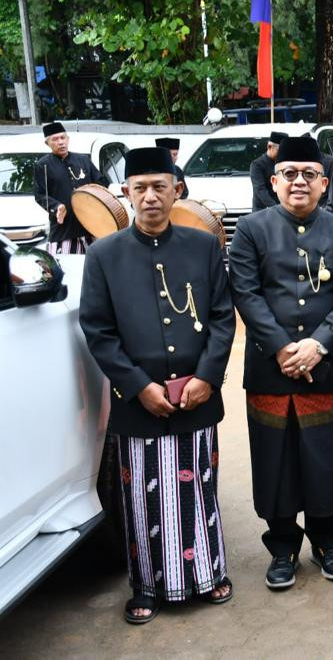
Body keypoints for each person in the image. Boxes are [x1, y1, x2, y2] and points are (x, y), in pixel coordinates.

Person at [79, 147, 236, 624]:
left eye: (160, 187)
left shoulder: (203, 245)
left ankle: (208, 574)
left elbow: (222, 319)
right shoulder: (104, 254)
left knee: (199, 489)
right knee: (143, 498)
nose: (150, 197)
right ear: (126, 193)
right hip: (137, 402)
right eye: (140, 188)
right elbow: (98, 330)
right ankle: (147, 585)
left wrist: (208, 377)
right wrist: (137, 386)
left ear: (176, 191)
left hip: (197, 397)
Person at [230, 136, 333, 590]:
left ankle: (328, 543)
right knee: (276, 461)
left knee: (326, 460)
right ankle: (283, 546)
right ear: (274, 181)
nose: (299, 182)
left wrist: (319, 344)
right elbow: (246, 293)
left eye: (309, 174)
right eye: (289, 174)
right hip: (271, 369)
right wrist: (284, 348)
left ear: (325, 183)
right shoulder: (252, 229)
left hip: (326, 369)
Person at [33, 121, 105, 255]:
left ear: (68, 139)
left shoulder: (83, 160)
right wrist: (56, 207)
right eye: (55, 139)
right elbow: (40, 194)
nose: (61, 142)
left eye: (63, 137)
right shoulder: (43, 165)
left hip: (92, 228)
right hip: (63, 231)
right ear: (47, 143)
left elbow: (101, 183)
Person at [250, 131, 287, 211]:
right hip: (263, 210)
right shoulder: (257, 165)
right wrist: (276, 208)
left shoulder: (285, 163)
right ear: (270, 147)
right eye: (279, 151)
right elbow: (260, 189)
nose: (282, 154)